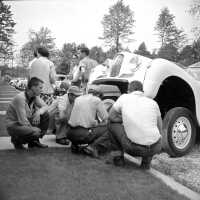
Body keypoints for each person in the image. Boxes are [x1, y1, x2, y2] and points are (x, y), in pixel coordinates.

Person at [107, 81, 162, 169]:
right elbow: (160, 126)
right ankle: (145, 164)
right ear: (142, 91)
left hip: (133, 148)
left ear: (130, 90)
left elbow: (111, 116)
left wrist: (123, 120)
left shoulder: (124, 97)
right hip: (156, 146)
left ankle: (118, 159)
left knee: (111, 124)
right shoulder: (153, 102)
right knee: (150, 132)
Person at [6, 77, 49, 149]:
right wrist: (34, 129)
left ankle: (33, 142)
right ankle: (16, 140)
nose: (42, 90)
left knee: (45, 115)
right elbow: (23, 121)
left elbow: (46, 106)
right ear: (33, 87)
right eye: (40, 88)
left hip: (23, 123)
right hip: (14, 125)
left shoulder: (34, 97)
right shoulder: (20, 98)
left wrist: (38, 113)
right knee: (36, 132)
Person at [67, 84, 109, 157]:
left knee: (89, 128)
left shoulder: (78, 98)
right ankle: (93, 147)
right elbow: (107, 120)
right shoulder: (97, 100)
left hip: (69, 133)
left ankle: (75, 145)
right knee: (109, 128)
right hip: (83, 134)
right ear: (98, 94)